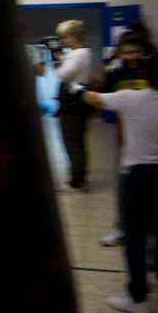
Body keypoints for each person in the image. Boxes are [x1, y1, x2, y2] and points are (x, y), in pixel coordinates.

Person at [75, 51, 158, 313]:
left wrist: (76, 88)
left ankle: (138, 298)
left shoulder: (131, 97)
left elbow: (93, 98)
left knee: (135, 233)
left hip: (138, 174)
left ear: (144, 75)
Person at [97, 32, 155, 247]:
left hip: (149, 140)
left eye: (136, 51)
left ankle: (149, 232)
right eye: (126, 52)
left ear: (145, 51)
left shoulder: (152, 72)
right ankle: (122, 229)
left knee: (147, 189)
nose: (131, 56)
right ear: (119, 53)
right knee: (122, 187)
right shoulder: (115, 74)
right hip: (123, 138)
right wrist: (104, 72)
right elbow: (100, 95)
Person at [54, 19, 95, 192]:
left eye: (64, 37)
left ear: (74, 36)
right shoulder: (84, 53)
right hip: (79, 100)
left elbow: (61, 75)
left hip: (72, 103)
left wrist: (58, 61)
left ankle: (76, 182)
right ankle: (80, 177)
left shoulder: (76, 55)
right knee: (78, 142)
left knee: (72, 143)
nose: (62, 41)